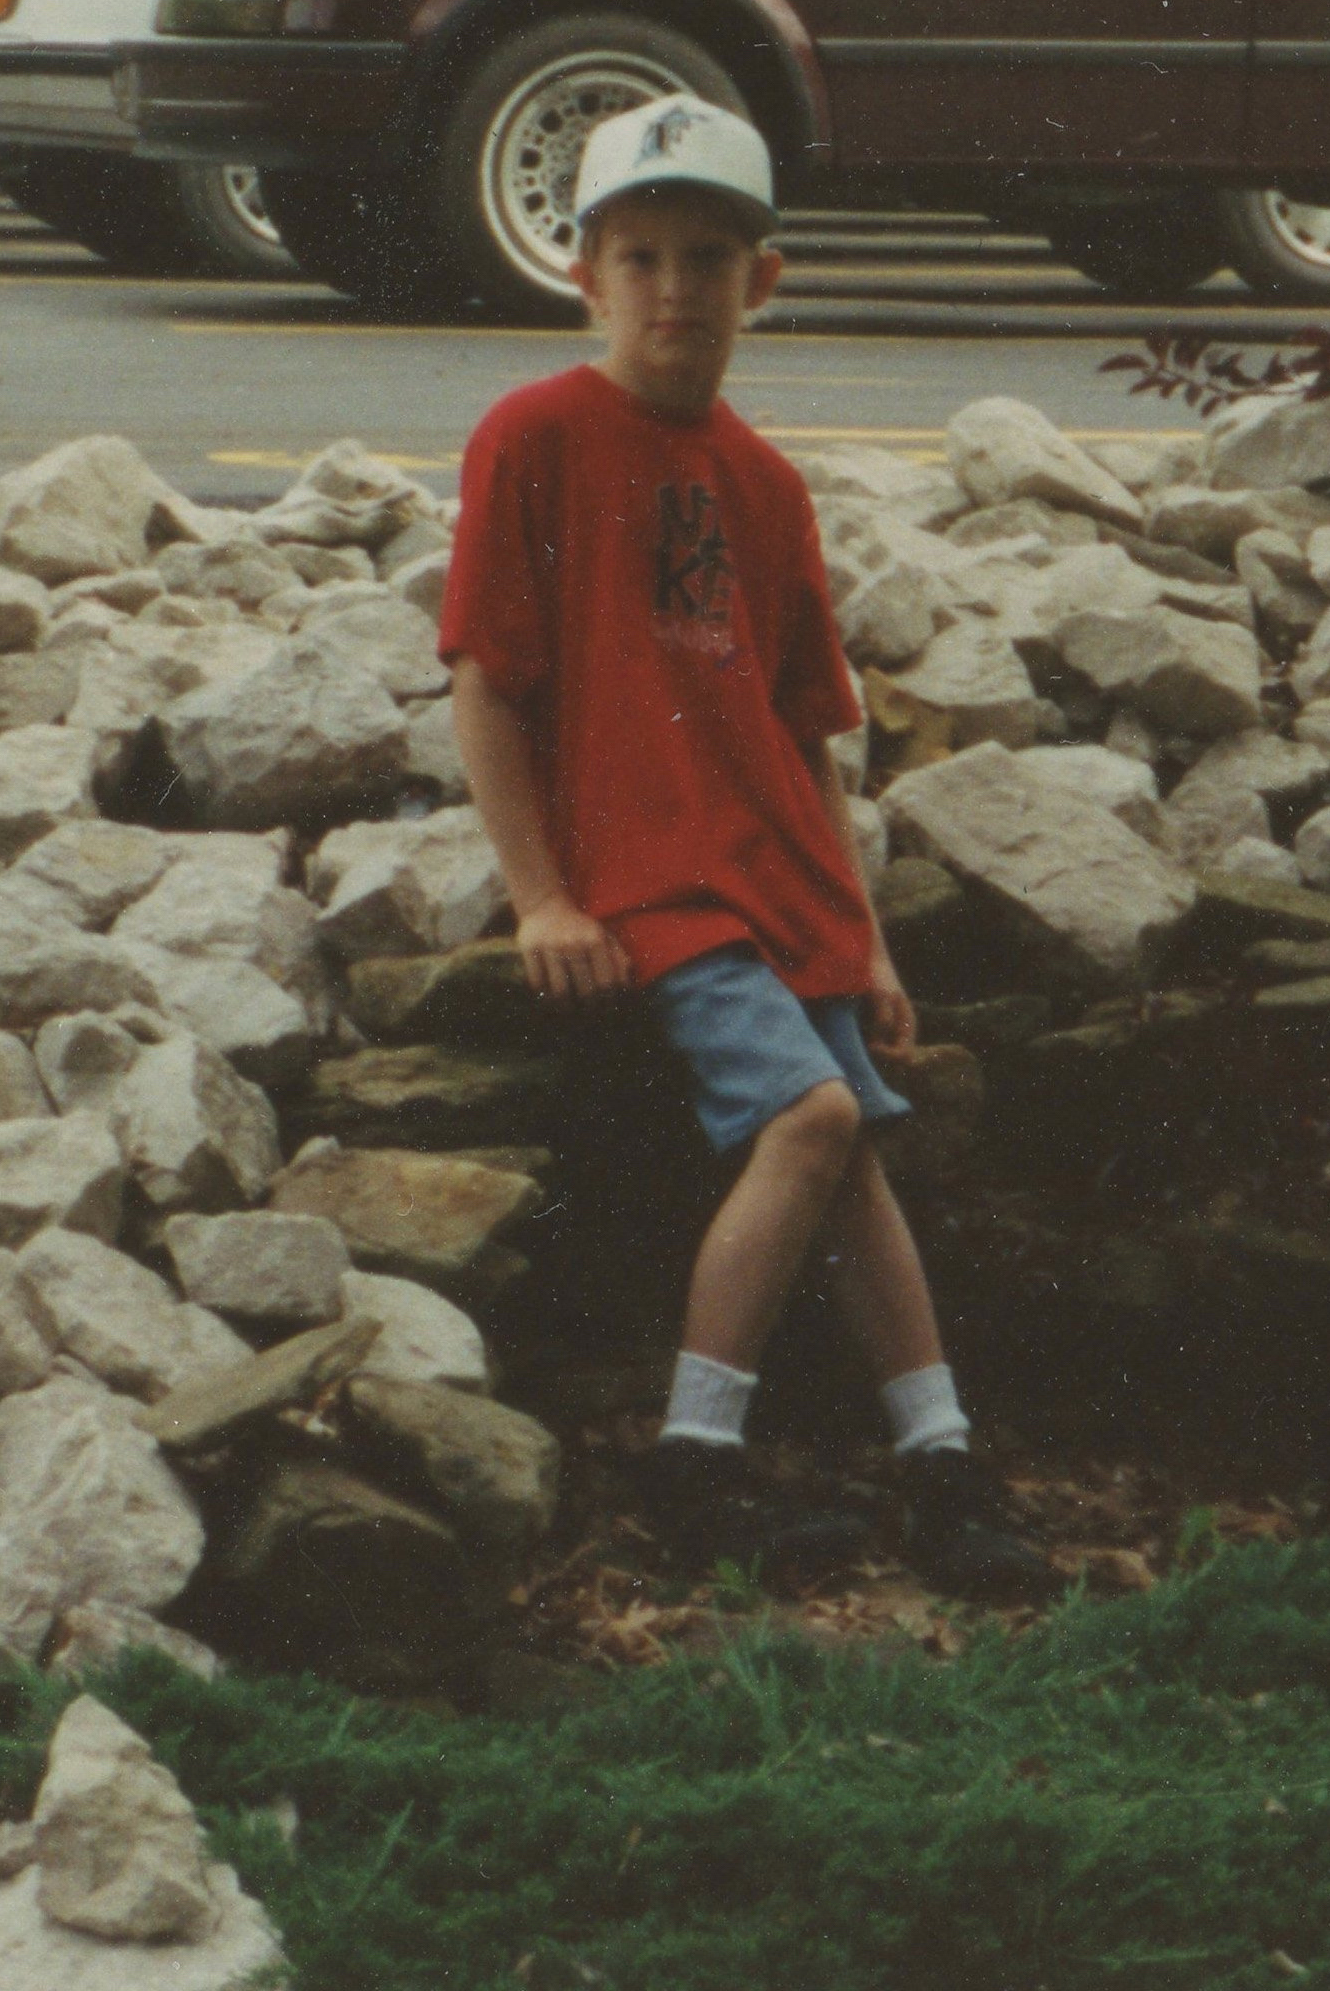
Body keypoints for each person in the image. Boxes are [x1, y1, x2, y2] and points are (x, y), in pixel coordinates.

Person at [440, 92, 1053, 1602]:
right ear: (584, 274)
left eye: (709, 257)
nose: (674, 289)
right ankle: (693, 1456)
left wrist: (867, 937)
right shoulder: (534, 437)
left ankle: (941, 1456)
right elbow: (489, 685)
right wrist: (542, 899)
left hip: (781, 880)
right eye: (640, 256)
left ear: (760, 280)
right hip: (655, 885)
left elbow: (806, 734)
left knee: (856, 1162)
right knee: (813, 1122)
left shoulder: (767, 485)